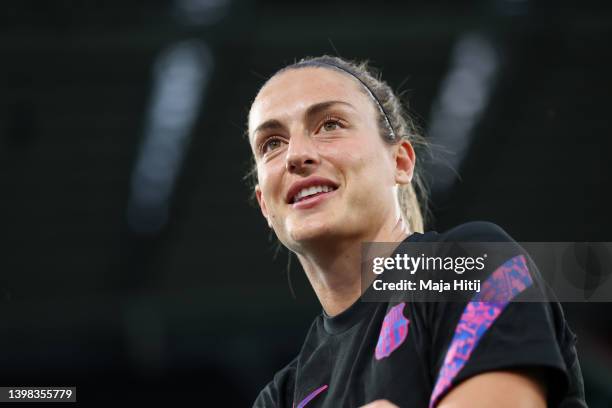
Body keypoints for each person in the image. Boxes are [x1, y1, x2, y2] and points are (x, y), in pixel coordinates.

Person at [246, 56, 586, 408]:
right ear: (265, 205)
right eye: (271, 143)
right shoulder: (282, 396)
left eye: (330, 124)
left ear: (401, 162)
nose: (296, 155)